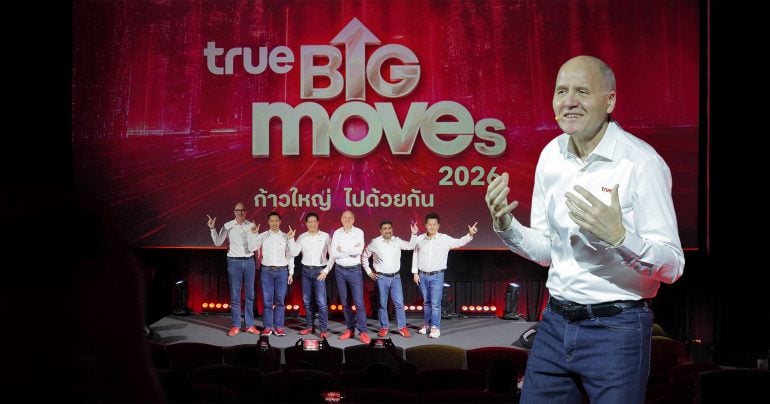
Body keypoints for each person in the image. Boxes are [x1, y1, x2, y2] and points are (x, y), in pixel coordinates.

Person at [485, 55, 685, 404]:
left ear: (610, 100)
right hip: (554, 323)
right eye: (561, 91)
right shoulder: (551, 155)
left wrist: (620, 238)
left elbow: (673, 266)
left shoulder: (641, 164)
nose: (569, 102)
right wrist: (506, 226)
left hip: (617, 329)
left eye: (582, 91)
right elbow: (546, 251)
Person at [411, 212, 477, 338]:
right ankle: (427, 325)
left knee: (435, 304)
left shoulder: (444, 239)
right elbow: (415, 255)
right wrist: (415, 273)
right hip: (422, 275)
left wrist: (470, 235)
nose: (432, 227)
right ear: (425, 225)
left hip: (437, 276)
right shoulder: (419, 239)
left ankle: (435, 328)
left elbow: (459, 242)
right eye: (429, 224)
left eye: (434, 224)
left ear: (438, 226)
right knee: (426, 303)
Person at [208, 202, 261, 337]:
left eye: (242, 210)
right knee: (235, 296)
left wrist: (254, 234)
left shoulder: (252, 226)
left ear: (246, 212)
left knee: (250, 296)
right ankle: (236, 325)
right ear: (234, 212)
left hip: (249, 261)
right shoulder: (228, 225)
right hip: (234, 262)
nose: (240, 213)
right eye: (238, 210)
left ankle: (249, 325)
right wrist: (213, 229)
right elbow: (218, 242)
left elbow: (254, 248)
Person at [361, 220, 419, 338]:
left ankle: (402, 327)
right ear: (380, 231)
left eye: (389, 228)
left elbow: (411, 246)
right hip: (381, 278)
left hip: (396, 277)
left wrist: (414, 234)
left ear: (392, 229)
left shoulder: (397, 241)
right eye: (385, 229)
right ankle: (384, 327)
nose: (387, 230)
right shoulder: (375, 242)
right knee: (382, 304)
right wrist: (369, 271)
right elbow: (364, 256)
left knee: (399, 303)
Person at [327, 210, 370, 343]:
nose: (347, 219)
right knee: (345, 302)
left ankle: (363, 331)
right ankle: (350, 329)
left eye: (350, 217)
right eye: (344, 217)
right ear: (341, 219)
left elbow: (358, 251)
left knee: (359, 302)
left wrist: (342, 249)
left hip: (354, 270)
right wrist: (350, 250)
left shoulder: (359, 232)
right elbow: (334, 253)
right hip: (339, 270)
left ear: (353, 219)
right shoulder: (337, 233)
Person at [289, 212, 331, 338]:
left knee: (321, 302)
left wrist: (326, 270)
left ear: (318, 222)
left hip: (319, 271)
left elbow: (332, 255)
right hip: (306, 271)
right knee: (306, 300)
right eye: (309, 222)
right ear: (306, 224)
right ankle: (309, 326)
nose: (312, 224)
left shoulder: (325, 236)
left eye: (314, 221)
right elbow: (294, 253)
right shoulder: (302, 237)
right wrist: (291, 239)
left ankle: (323, 329)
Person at [254, 211, 296, 336]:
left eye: (276, 220)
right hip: (266, 271)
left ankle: (279, 327)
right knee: (267, 301)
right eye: (271, 221)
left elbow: (290, 255)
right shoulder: (262, 236)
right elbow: (252, 247)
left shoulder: (286, 236)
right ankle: (267, 327)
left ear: (280, 222)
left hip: (282, 271)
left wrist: (291, 272)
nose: (274, 223)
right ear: (268, 222)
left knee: (280, 301)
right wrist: (254, 234)